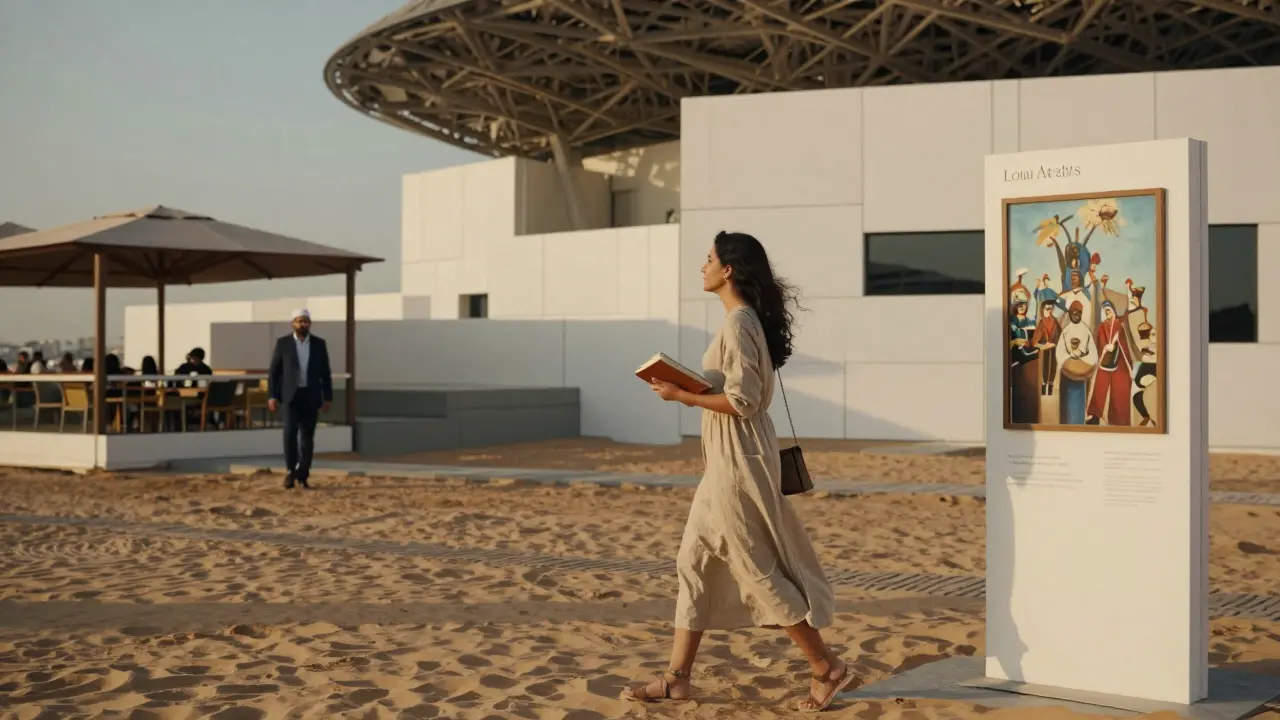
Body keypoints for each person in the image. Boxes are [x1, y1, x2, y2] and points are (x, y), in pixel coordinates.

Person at [625, 231, 852, 713]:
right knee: (693, 561)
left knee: (754, 565)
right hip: (726, 460)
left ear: (728, 269)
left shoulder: (739, 322)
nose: (702, 266)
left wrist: (682, 396)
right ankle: (677, 679)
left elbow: (743, 401)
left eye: (708, 259)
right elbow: (736, 389)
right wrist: (690, 384)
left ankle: (825, 666)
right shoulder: (741, 321)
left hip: (738, 459)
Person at [268, 308, 332, 490]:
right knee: (289, 433)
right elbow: (274, 372)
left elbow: (325, 372)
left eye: (306, 321)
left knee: (307, 436)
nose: (303, 324)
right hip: (290, 396)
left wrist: (327, 397)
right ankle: (290, 471)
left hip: (310, 395)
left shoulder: (319, 344)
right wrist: (272, 395)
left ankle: (303, 474)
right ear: (293, 323)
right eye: (299, 321)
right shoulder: (283, 343)